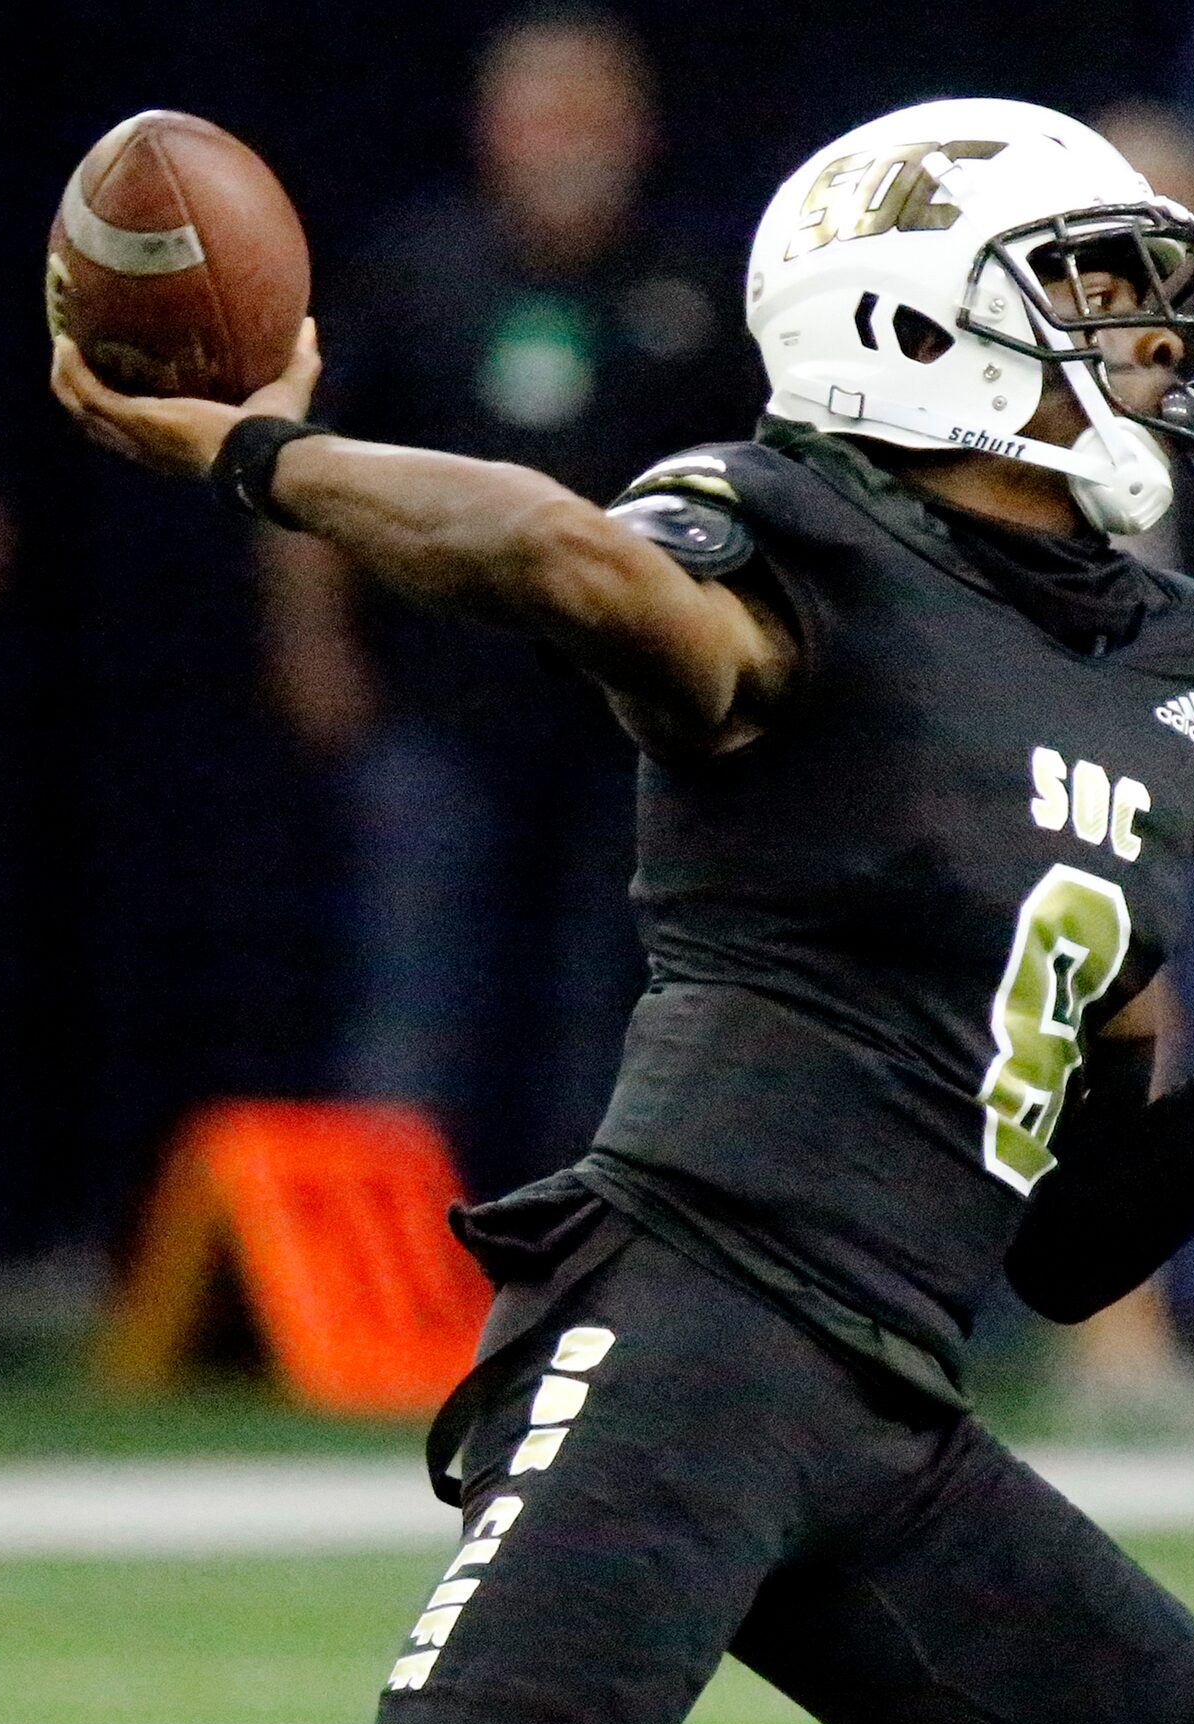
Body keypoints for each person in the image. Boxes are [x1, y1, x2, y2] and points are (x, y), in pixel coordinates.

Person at [54, 100, 1194, 1724]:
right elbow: (565, 558)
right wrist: (266, 455)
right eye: (1091, 285)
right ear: (911, 321)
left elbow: (1082, 1238)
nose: (1151, 331)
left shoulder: (1193, 668)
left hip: (894, 1410)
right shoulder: (788, 541)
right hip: (684, 1331)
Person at [259, 6, 760, 1192]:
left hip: (631, 719)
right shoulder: (416, 271)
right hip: (437, 705)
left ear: (641, 130)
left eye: (597, 111)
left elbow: (757, 497)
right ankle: (392, 1287)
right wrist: (315, 648)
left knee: (614, 1007)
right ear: (495, 127)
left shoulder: (689, 284)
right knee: (417, 991)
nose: (571, 138)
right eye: (548, 111)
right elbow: (307, 470)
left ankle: (581, 1268)